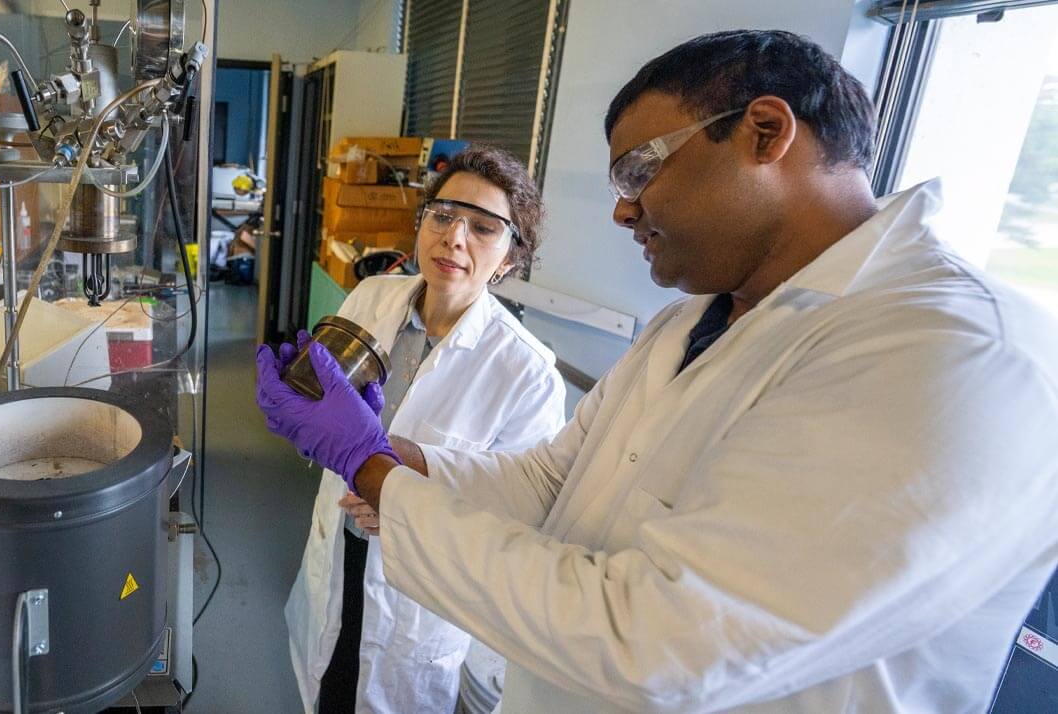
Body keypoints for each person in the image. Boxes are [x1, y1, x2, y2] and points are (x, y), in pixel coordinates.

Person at [257, 30, 1058, 712]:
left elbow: (659, 642)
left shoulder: (948, 352)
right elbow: (547, 484)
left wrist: (370, 464)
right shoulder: (691, 324)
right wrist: (397, 454)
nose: (623, 210)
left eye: (639, 171)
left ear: (765, 133)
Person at [266, 145, 566, 713]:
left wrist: (404, 508)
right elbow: (323, 407)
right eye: (444, 215)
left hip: (417, 591)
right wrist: (294, 398)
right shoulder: (371, 298)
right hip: (335, 552)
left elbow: (520, 522)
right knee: (326, 684)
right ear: (421, 222)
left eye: (483, 227)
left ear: (509, 257)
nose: (455, 238)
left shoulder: (527, 375)